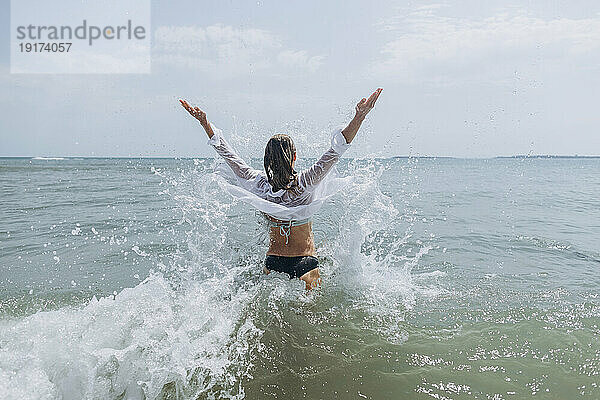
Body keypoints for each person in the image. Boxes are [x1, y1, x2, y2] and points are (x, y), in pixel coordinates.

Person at [179, 88, 382, 289]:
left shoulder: (258, 184)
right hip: (305, 262)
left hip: (273, 261)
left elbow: (228, 154)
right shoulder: (305, 183)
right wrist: (359, 116)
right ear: (294, 156)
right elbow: (337, 149)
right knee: (312, 319)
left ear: (267, 159)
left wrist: (205, 124)